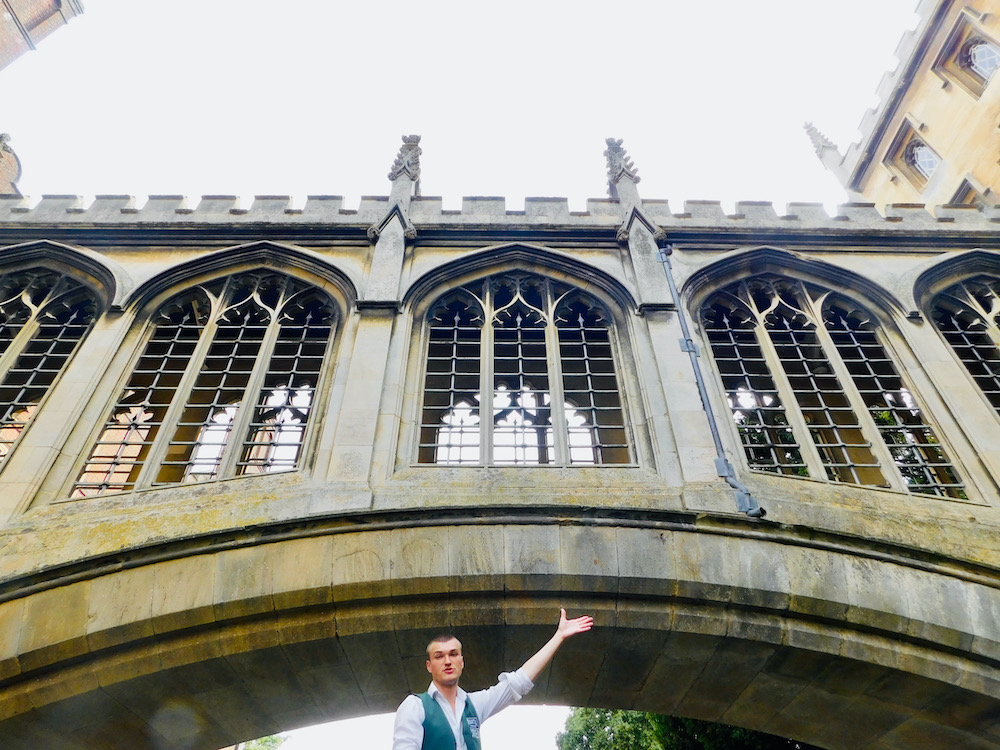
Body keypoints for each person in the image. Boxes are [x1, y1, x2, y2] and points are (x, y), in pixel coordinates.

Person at [391, 608, 594, 750]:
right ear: (429, 666)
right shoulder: (415, 707)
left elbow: (520, 681)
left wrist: (559, 636)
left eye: (453, 654)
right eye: (439, 656)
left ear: (462, 661)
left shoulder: (474, 705)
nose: (447, 661)